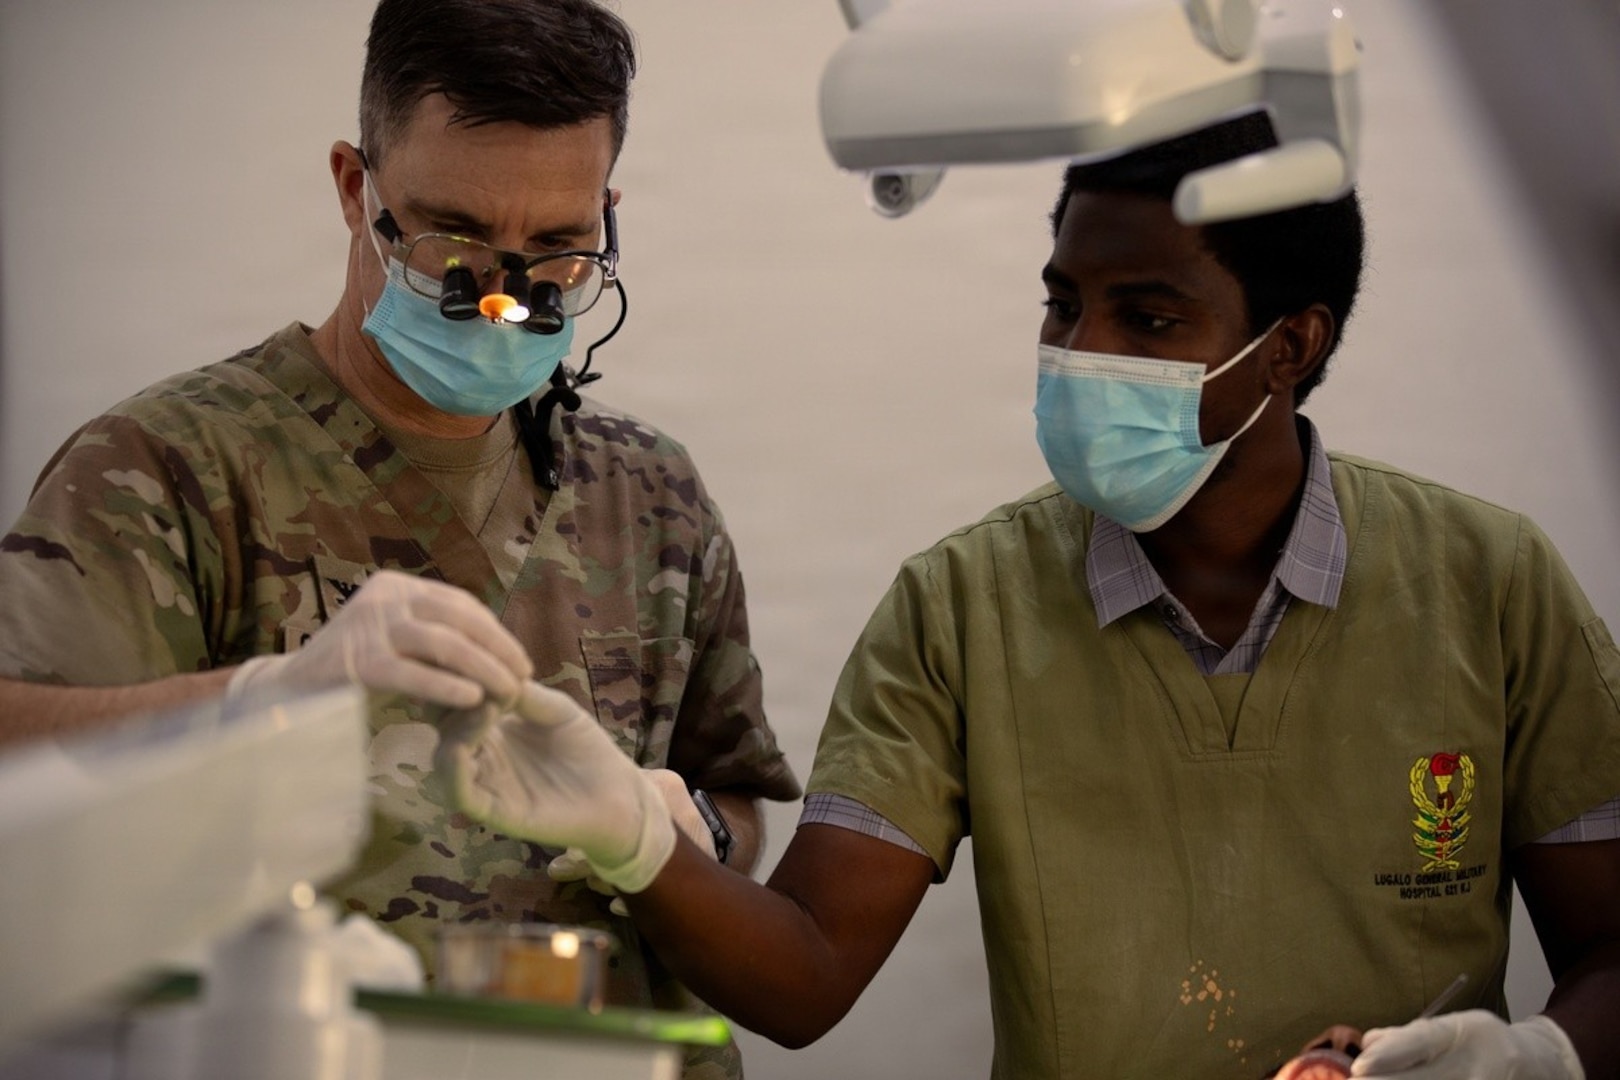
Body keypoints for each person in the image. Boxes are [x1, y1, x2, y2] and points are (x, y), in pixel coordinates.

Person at [429, 113, 1620, 1079]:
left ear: (1288, 349)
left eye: (1147, 317)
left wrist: (1536, 1058)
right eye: (1063, 303)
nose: (1078, 348)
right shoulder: (963, 610)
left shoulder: (1487, 589)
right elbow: (802, 977)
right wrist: (634, 837)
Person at [0, 2, 801, 1076]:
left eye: (557, 250)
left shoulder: (650, 495)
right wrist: (253, 708)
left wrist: (669, 836)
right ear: (353, 188)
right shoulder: (166, 469)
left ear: (606, 217)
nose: (503, 302)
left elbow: (738, 800)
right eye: (452, 240)